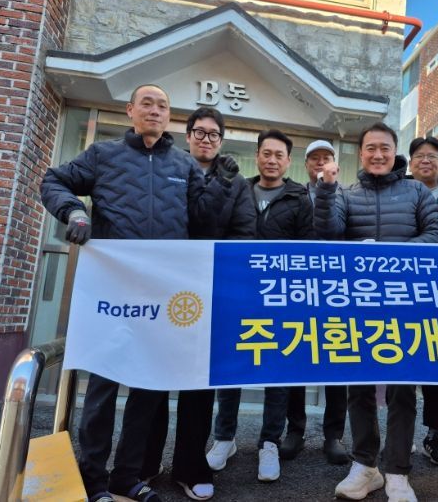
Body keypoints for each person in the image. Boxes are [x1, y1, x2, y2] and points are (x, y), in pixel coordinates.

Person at [39, 85, 237, 502]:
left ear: (169, 117)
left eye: (162, 105)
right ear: (130, 110)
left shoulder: (183, 164)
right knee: (103, 389)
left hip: (161, 296)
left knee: (148, 389)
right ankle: (93, 478)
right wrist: (74, 211)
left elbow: (202, 221)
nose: (155, 110)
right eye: (147, 103)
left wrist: (219, 183)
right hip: (111, 292)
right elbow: (54, 180)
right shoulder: (103, 155)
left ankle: (126, 477)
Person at [314, 122, 438, 502]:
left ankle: (398, 470)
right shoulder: (345, 193)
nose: (377, 154)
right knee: (359, 386)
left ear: (394, 151)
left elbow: (436, 234)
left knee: (403, 389)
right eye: (370, 148)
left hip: (406, 303)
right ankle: (365, 466)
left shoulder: (416, 191)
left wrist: (394, 256)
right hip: (360, 303)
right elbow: (328, 234)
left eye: (384, 148)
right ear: (361, 153)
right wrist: (326, 190)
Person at [141, 107, 256, 501]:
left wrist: (211, 263)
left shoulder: (236, 182)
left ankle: (190, 466)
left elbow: (245, 233)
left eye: (213, 134)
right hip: (162, 289)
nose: (206, 139)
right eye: (200, 132)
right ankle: (145, 462)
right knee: (153, 380)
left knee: (198, 383)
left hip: (208, 292)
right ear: (187, 135)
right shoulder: (167, 168)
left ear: (221, 141)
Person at [206, 129, 315, 483]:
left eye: (278, 155)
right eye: (266, 153)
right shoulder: (239, 189)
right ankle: (224, 438)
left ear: (288, 161)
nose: (271, 160)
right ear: (257, 156)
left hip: (279, 298)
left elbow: (308, 249)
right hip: (237, 294)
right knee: (231, 367)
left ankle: (270, 442)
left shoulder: (300, 198)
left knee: (276, 371)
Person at [279, 139, 350, 465]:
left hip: (335, 288)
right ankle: (295, 430)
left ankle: (333, 434)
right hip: (297, 287)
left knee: (336, 360)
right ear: (305, 164)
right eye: (314, 158)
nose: (320, 163)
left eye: (326, 157)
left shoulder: (346, 194)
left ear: (335, 163)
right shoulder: (293, 194)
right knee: (295, 356)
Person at [406, 136, 438, 466]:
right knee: (403, 364)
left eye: (433, 156)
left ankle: (435, 434)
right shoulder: (399, 189)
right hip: (403, 291)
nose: (426, 160)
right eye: (420, 156)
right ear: (410, 163)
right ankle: (401, 435)